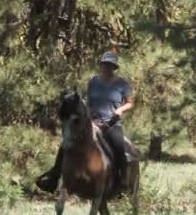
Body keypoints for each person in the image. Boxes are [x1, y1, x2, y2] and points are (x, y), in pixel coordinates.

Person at [36, 51, 134, 193]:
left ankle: (122, 180)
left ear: (114, 67)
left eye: (110, 65)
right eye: (105, 64)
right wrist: (89, 111)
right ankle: (54, 176)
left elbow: (130, 103)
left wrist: (120, 110)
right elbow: (88, 101)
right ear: (101, 65)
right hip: (92, 123)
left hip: (111, 124)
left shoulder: (122, 84)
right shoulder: (93, 81)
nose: (107, 67)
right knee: (66, 143)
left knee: (118, 146)